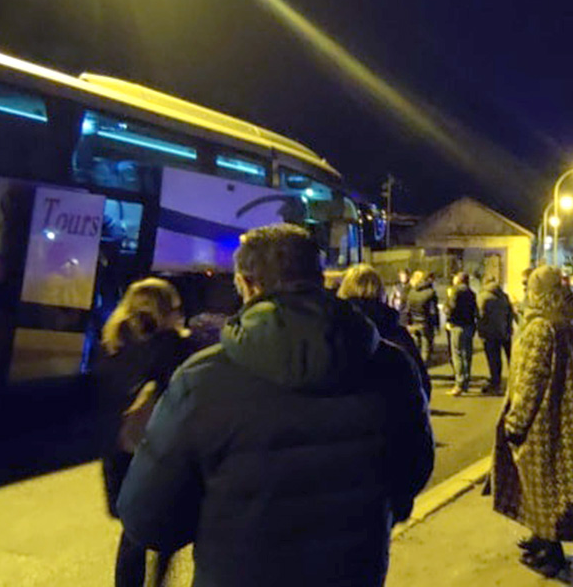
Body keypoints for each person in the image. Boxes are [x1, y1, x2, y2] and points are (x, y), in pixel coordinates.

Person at [117, 224, 434, 587]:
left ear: (247, 284)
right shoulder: (391, 367)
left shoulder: (202, 379)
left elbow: (147, 519)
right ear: (319, 278)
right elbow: (414, 469)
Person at [94, 278, 202, 587]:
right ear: (167, 309)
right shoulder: (175, 345)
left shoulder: (111, 342)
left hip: (117, 448)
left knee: (132, 533)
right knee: (171, 523)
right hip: (160, 449)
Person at [489, 266, 573, 578]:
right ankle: (539, 536)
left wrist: (516, 422)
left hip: (540, 420)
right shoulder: (560, 321)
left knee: (542, 483)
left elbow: (531, 380)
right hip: (557, 413)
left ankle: (550, 550)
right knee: (541, 483)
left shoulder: (540, 327)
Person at [338, 263, 431, 398]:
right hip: (391, 407)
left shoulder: (333, 330)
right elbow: (422, 384)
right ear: (380, 291)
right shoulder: (395, 333)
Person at [476, 278, 514, 395]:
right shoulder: (504, 297)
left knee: (494, 359)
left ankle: (495, 382)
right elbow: (510, 313)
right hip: (504, 331)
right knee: (509, 358)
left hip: (489, 332)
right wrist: (508, 328)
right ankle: (512, 382)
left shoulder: (482, 297)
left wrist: (480, 329)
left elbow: (480, 314)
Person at [444, 272, 478, 396]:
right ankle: (466, 382)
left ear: (458, 280)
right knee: (467, 354)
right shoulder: (472, 293)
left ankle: (459, 383)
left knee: (457, 355)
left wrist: (448, 318)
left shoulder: (455, 292)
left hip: (457, 325)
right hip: (469, 325)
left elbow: (450, 308)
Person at [403, 270, 440, 366]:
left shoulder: (411, 292)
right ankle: (424, 368)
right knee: (426, 349)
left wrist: (408, 323)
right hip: (425, 324)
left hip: (414, 324)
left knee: (416, 348)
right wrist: (436, 325)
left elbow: (407, 310)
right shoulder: (430, 292)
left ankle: (417, 367)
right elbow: (433, 312)